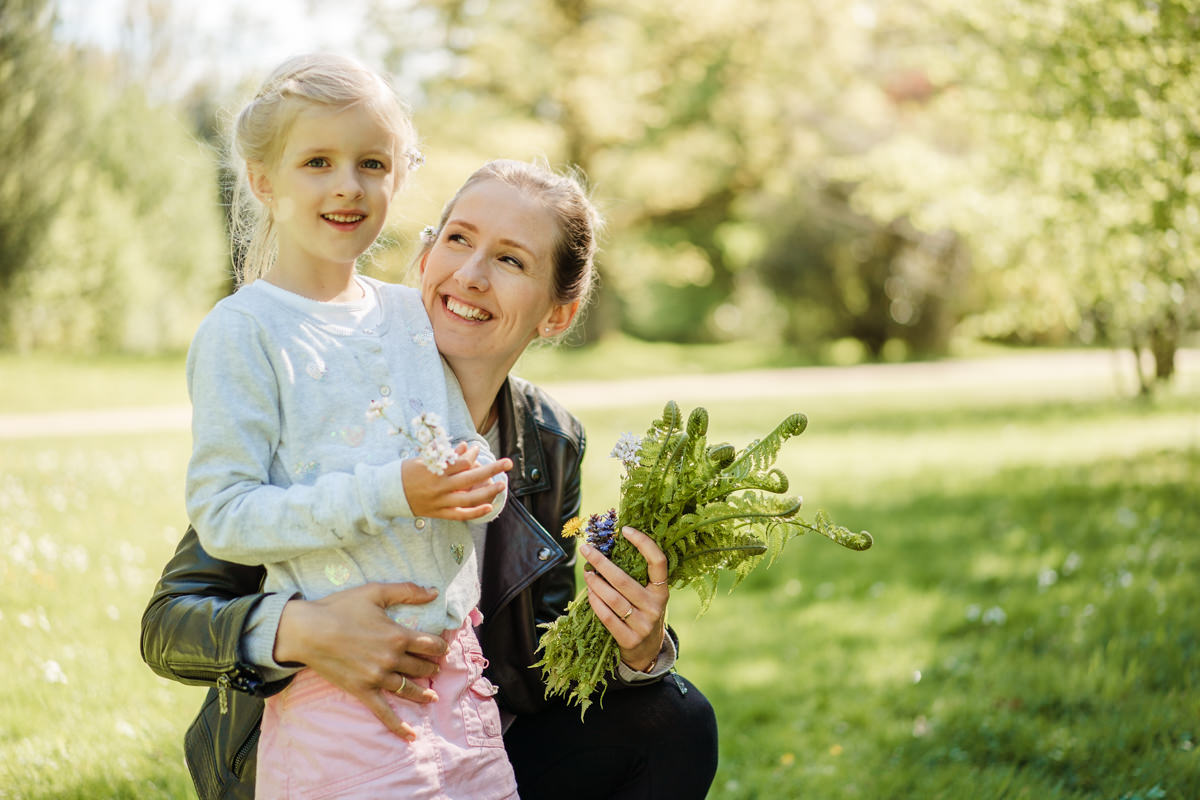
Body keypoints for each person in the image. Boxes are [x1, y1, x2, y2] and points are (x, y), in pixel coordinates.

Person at [142, 152, 720, 797]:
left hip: (471, 741)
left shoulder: (550, 438)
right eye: (458, 240)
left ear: (557, 313)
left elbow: (534, 661)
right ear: (425, 257)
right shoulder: (331, 399)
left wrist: (634, 650)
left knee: (676, 720)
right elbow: (171, 621)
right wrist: (302, 630)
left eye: (511, 260)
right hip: (316, 749)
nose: (470, 275)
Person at [182, 53, 518, 798]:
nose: (348, 185)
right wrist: (391, 491)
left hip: (458, 676)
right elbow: (224, 515)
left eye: (372, 163)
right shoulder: (245, 331)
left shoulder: (406, 312)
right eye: (317, 162)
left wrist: (474, 480)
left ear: (399, 178)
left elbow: (453, 447)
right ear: (264, 181)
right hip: (339, 692)